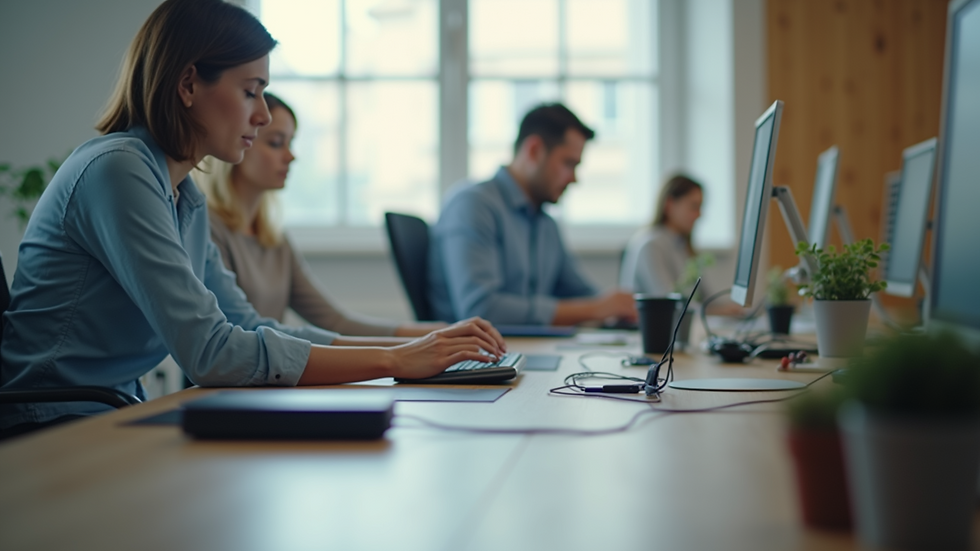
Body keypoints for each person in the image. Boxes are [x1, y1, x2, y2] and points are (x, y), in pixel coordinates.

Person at [0, 0, 503, 438]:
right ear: (189, 84)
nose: (262, 115)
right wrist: (393, 360)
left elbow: (248, 326)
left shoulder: (184, 199)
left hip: (104, 416)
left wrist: (415, 350)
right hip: (50, 427)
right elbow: (212, 353)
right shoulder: (119, 170)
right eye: (250, 91)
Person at [194, 92, 443, 340]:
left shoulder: (274, 239)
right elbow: (244, 332)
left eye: (290, 143)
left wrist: (437, 333)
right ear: (241, 142)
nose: (291, 156)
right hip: (234, 377)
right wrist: (411, 347)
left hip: (269, 375)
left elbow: (334, 321)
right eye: (276, 143)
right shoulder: (206, 229)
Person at [428, 103, 637, 326]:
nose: (574, 179)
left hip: (525, 349)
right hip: (476, 357)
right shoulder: (473, 205)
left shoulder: (546, 224)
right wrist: (597, 309)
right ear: (534, 151)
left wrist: (619, 309)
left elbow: (579, 294)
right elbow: (482, 310)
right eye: (569, 163)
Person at [619, 174, 741, 314]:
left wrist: (733, 309)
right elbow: (669, 303)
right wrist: (719, 312)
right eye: (694, 206)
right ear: (670, 204)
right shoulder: (651, 246)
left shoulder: (682, 246)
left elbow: (705, 297)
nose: (699, 215)